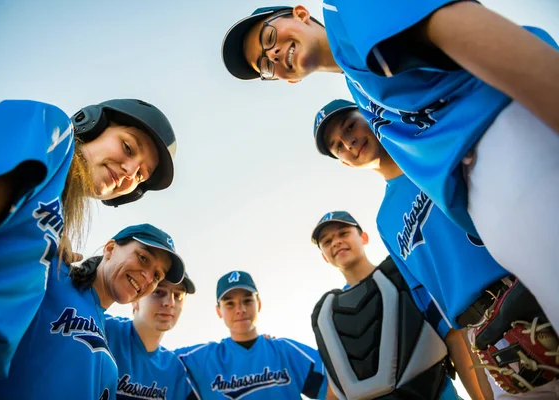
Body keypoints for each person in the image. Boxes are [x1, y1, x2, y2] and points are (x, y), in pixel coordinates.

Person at [221, 4, 559, 330]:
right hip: (499, 198)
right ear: (286, 80)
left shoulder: (346, 12)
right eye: (264, 64)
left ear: (299, 13)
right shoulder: (360, 89)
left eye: (268, 38)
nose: (273, 55)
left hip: (511, 133)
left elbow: (469, 29)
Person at [311, 99, 559, 398]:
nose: (348, 142)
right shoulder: (385, 220)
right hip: (487, 335)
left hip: (533, 288)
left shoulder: (435, 151)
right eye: (338, 146)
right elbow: (438, 307)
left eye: (350, 126)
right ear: (345, 163)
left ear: (368, 114)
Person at [0, 98, 177, 399]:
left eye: (140, 175)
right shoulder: (51, 128)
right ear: (92, 123)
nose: (129, 171)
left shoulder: (54, 224)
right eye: (128, 147)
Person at [0, 223, 186, 400]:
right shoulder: (54, 274)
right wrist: (49, 243)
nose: (148, 276)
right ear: (110, 248)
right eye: (143, 258)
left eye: (157, 276)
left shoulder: (106, 346)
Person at [311, 210, 487, 399]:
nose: (336, 242)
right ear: (324, 256)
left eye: (343, 233)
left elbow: (453, 338)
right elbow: (335, 386)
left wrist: (480, 396)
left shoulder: (403, 274)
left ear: (364, 237)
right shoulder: (327, 315)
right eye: (327, 242)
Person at [177, 270, 332, 399]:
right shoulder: (204, 359)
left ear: (259, 304)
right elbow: (156, 361)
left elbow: (335, 385)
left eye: (247, 300)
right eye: (230, 304)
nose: (240, 309)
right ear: (219, 311)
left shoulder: (285, 351)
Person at [105, 273, 199, 400]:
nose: (170, 303)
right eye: (159, 292)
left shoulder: (174, 368)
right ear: (135, 300)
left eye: (178, 295)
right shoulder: (104, 330)